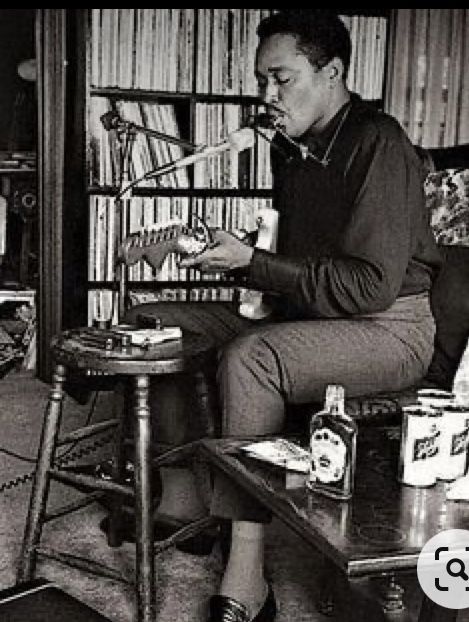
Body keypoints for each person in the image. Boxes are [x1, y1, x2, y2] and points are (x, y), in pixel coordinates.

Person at [127, 9, 442, 622]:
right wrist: (230, 257)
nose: (267, 97)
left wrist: (255, 263)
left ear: (333, 72)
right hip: (312, 313)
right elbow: (298, 261)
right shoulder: (293, 149)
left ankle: (247, 576)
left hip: (390, 329)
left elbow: (370, 287)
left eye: (282, 79)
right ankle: (186, 504)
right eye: (260, 82)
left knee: (254, 358)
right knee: (153, 319)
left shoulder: (377, 141)